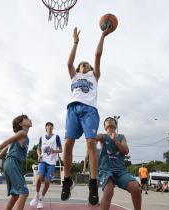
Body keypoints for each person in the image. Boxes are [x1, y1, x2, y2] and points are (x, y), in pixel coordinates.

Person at [61, 25, 112, 206]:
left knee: (91, 143)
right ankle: (67, 180)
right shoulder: (74, 76)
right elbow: (68, 63)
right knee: (68, 143)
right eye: (81, 63)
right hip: (72, 109)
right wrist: (75, 43)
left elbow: (97, 55)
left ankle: (92, 183)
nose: (84, 64)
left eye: (86, 63)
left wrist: (103, 35)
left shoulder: (94, 76)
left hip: (89, 110)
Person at [0, 114, 32, 210]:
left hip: (11, 163)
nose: (29, 119)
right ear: (21, 123)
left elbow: (6, 148)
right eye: (26, 118)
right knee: (24, 192)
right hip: (13, 163)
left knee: (15, 195)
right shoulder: (22, 133)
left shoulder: (21, 136)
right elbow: (6, 142)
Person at [97, 117, 141, 210]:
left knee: (135, 187)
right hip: (106, 170)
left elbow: (126, 151)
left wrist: (115, 141)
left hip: (120, 170)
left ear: (115, 125)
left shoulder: (121, 137)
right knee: (109, 189)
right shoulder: (103, 136)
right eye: (106, 120)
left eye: (111, 120)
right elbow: (93, 138)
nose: (109, 120)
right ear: (105, 126)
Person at [30, 122, 62, 209]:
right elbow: (38, 149)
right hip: (43, 161)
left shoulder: (56, 137)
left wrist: (54, 151)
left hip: (51, 163)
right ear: (46, 128)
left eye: (51, 126)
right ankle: (36, 195)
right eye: (48, 126)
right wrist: (39, 154)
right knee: (39, 177)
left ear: (53, 128)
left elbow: (61, 150)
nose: (50, 127)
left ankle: (41, 199)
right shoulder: (42, 137)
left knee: (47, 181)